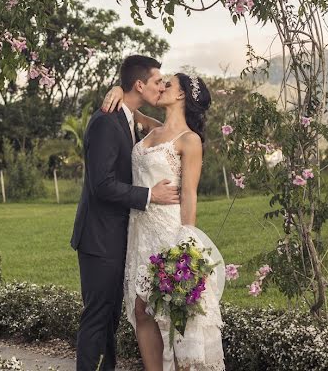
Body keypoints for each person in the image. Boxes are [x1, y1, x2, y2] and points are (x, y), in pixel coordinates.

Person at [103, 73, 225, 371]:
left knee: (170, 311)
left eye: (167, 84)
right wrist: (119, 87)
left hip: (168, 232)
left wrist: (186, 245)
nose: (160, 87)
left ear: (182, 95)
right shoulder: (151, 129)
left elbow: (190, 195)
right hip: (139, 230)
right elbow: (129, 106)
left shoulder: (189, 140)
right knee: (140, 309)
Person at [71, 55, 180, 371]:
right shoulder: (106, 122)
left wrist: (125, 97)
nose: (162, 86)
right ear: (139, 84)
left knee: (108, 320)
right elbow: (101, 184)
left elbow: (168, 129)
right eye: (157, 81)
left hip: (118, 238)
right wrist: (150, 195)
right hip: (99, 239)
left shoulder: (129, 119)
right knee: (97, 318)